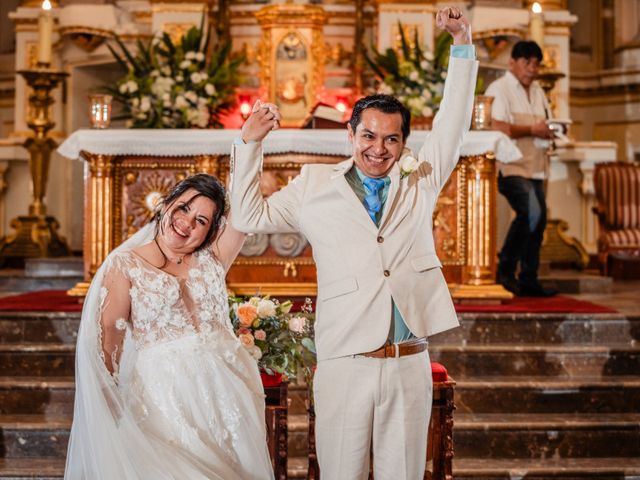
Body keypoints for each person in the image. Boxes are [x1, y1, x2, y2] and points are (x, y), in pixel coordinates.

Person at [229, 7, 477, 479]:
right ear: (350, 134)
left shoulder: (421, 177)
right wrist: (248, 145)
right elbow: (247, 216)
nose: (378, 149)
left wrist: (462, 42)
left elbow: (453, 124)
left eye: (390, 139)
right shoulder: (313, 184)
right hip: (345, 360)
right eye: (368, 135)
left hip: (409, 360)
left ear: (404, 143)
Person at [65, 174, 274, 480]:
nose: (187, 223)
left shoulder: (213, 258)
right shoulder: (125, 266)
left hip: (229, 401)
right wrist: (106, 405)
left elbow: (244, 209)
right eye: (183, 208)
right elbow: (108, 337)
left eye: (201, 220)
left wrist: (247, 143)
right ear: (165, 205)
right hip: (164, 404)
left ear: (210, 231)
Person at [485, 40, 558, 297]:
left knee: (539, 221)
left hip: (537, 165)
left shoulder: (538, 91)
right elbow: (497, 126)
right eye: (527, 62)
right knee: (530, 212)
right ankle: (505, 271)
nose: (532, 68)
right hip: (511, 165)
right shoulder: (500, 87)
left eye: (536, 63)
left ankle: (528, 278)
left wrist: (554, 130)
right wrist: (532, 129)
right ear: (512, 63)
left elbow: (544, 122)